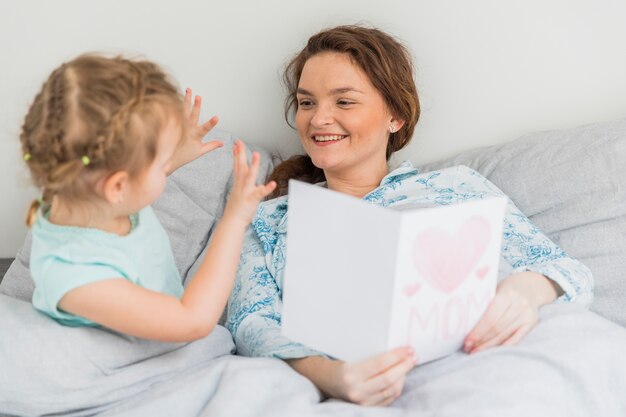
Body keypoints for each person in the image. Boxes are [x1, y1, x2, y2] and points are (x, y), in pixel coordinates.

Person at [226, 25, 593, 406]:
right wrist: (332, 376)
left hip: (496, 362)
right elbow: (250, 321)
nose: (319, 118)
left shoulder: (457, 187)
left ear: (396, 116)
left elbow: (569, 273)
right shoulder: (271, 218)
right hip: (369, 380)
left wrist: (528, 289)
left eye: (344, 102)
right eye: (306, 102)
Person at [20, 54, 276, 342]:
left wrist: (170, 158)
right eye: (161, 161)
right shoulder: (76, 277)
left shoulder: (81, 190)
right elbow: (191, 322)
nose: (167, 166)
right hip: (117, 358)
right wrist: (234, 218)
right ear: (118, 186)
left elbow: (132, 184)